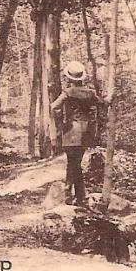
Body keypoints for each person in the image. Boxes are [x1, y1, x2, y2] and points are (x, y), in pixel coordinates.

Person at [49, 61, 105, 207]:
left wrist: (60, 122)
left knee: (72, 164)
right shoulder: (90, 93)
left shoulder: (68, 92)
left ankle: (71, 195)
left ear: (69, 78)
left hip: (71, 131)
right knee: (76, 163)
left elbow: (54, 106)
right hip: (86, 132)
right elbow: (103, 103)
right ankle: (78, 196)